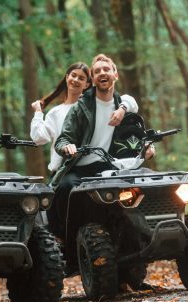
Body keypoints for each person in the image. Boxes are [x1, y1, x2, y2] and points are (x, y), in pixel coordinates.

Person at [50, 53, 154, 235]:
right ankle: (64, 237)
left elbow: (136, 134)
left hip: (111, 167)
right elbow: (63, 139)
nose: (102, 73)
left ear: (116, 75)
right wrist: (67, 147)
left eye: (106, 69)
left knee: (145, 184)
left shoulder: (124, 106)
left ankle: (144, 236)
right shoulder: (80, 107)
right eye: (97, 71)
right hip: (81, 168)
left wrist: (146, 148)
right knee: (65, 187)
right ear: (93, 79)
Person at [30, 62, 139, 174]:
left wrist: (122, 109)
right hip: (63, 169)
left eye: (81, 78)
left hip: (96, 167)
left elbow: (128, 101)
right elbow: (39, 138)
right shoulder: (55, 113)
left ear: (87, 84)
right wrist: (38, 112)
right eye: (73, 75)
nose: (76, 80)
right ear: (67, 77)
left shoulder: (94, 107)